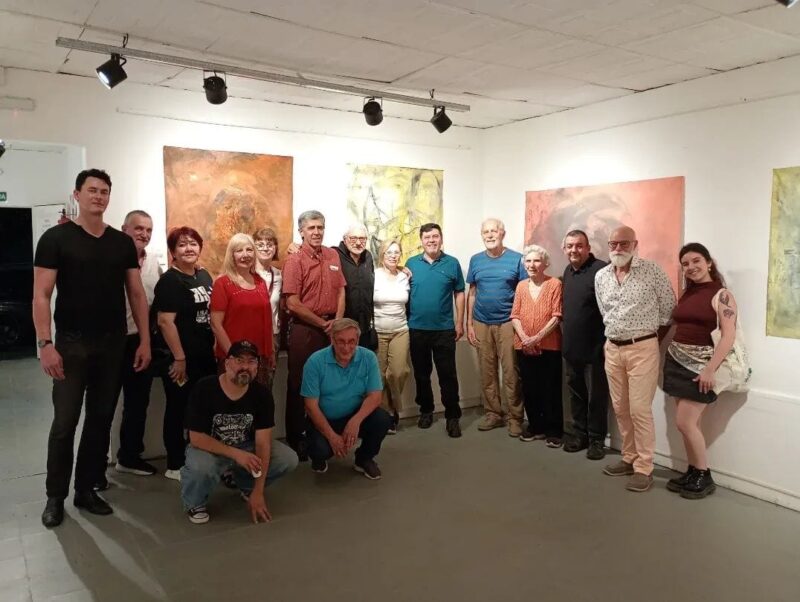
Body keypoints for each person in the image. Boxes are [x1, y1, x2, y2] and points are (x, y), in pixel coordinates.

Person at [34, 169, 151, 528]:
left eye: (104, 191)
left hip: (112, 344)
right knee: (65, 422)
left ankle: (85, 489)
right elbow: (41, 295)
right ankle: (55, 497)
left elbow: (136, 293)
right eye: (92, 190)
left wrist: (145, 340)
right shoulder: (55, 238)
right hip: (71, 344)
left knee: (100, 420)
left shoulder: (120, 243)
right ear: (77, 194)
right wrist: (45, 344)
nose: (98, 196)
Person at [595, 225, 676, 493]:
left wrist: (650, 339)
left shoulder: (652, 271)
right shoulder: (601, 276)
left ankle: (644, 467)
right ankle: (628, 457)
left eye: (624, 243)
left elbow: (669, 309)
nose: (618, 248)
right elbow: (604, 311)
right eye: (614, 244)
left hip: (642, 347)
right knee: (620, 407)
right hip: (612, 348)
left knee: (639, 409)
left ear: (635, 244)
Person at [181, 340, 298, 524]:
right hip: (211, 449)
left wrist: (258, 491)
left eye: (251, 362)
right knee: (200, 467)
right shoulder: (205, 388)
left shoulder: (262, 395)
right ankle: (195, 502)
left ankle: (246, 485)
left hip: (246, 447)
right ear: (227, 363)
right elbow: (196, 438)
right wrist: (236, 454)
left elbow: (263, 443)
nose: (245, 367)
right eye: (239, 360)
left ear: (257, 366)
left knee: (287, 458)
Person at [663, 243, 737, 499]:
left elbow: (728, 336)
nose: (691, 267)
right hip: (676, 362)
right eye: (685, 264)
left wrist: (709, 370)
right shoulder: (688, 292)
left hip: (700, 368)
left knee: (685, 422)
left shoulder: (722, 295)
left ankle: (704, 476)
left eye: (696, 261)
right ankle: (693, 470)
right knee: (689, 424)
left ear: (708, 262)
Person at [282, 210, 346, 459]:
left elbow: (341, 290)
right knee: (299, 384)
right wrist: (322, 324)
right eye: (311, 228)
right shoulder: (294, 260)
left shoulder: (332, 255)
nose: (316, 232)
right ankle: (296, 438)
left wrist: (337, 321)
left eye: (320, 227)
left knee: (327, 383)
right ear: (301, 232)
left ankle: (321, 433)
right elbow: (293, 303)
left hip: (331, 328)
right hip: (305, 329)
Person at [154, 227, 216, 481]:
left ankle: (198, 455)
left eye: (193, 243)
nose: (188, 248)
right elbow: (165, 322)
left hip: (204, 357)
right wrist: (179, 358)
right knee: (178, 408)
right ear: (173, 252)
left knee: (201, 408)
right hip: (181, 359)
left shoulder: (203, 275)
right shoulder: (170, 281)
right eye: (182, 245)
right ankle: (175, 463)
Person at [301, 319, 392, 479]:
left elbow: (375, 396)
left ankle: (364, 459)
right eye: (341, 341)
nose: (346, 347)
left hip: (353, 414)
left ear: (357, 340)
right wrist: (332, 437)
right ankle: (318, 458)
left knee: (382, 419)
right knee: (320, 449)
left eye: (351, 342)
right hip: (324, 419)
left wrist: (355, 421)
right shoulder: (315, 362)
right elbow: (310, 406)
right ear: (332, 340)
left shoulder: (368, 357)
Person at [111, 210, 162, 479]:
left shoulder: (153, 262)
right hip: (111, 341)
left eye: (148, 230)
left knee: (137, 403)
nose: (144, 234)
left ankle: (129, 456)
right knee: (104, 404)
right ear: (124, 229)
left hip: (141, 341)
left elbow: (159, 300)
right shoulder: (109, 258)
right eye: (139, 228)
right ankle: (94, 467)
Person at [466, 218, 527, 437]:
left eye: (494, 231)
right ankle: (493, 413)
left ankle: (515, 417)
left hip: (508, 322)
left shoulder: (517, 259)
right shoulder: (476, 260)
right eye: (486, 232)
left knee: (511, 372)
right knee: (487, 371)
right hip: (481, 321)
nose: (490, 235)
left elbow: (523, 292)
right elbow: (472, 293)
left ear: (503, 233)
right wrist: (469, 323)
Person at [406, 223, 466, 438]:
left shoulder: (452, 263)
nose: (431, 240)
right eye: (427, 237)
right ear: (421, 241)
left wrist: (460, 322)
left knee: (447, 375)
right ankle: (426, 410)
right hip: (417, 329)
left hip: (444, 330)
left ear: (441, 238)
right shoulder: (411, 264)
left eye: (435, 236)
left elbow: (460, 293)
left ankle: (452, 416)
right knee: (422, 375)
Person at [560, 229, 610, 460]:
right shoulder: (567, 272)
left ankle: (597, 440)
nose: (574, 250)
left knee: (596, 397)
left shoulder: (601, 270)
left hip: (596, 349)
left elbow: (609, 308)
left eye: (579, 246)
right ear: (565, 249)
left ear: (588, 248)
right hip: (572, 347)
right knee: (576, 394)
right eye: (570, 246)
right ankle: (580, 435)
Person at [510, 245, 564, 447]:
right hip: (523, 345)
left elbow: (557, 315)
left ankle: (554, 431)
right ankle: (535, 426)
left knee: (550, 388)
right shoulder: (521, 286)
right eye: (528, 261)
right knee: (530, 388)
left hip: (549, 345)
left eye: (537, 261)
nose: (532, 265)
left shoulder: (554, 284)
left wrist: (537, 337)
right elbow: (515, 315)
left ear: (545, 264)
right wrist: (525, 337)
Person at [210, 233, 274, 386]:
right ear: (231, 255)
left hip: (259, 357)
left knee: (259, 397)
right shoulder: (222, 284)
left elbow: (267, 319)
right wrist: (232, 356)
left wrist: (270, 350)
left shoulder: (260, 282)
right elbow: (216, 324)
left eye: (249, 250)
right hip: (234, 357)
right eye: (239, 251)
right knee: (233, 398)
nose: (245, 255)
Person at [373, 239, 411, 434]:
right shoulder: (374, 275)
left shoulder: (404, 276)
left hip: (400, 330)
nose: (393, 256)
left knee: (398, 372)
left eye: (396, 252)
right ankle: (384, 416)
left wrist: (404, 269)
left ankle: (391, 408)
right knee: (378, 376)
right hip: (378, 331)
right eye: (389, 252)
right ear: (382, 255)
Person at [336, 223, 377, 350]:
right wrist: (294, 246)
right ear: (345, 239)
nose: (358, 243)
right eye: (353, 238)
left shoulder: (368, 256)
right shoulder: (334, 254)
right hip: (342, 325)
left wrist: (400, 268)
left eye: (362, 238)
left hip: (364, 327)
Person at [253, 227, 283, 373]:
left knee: (268, 378)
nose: (265, 248)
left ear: (275, 248)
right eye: (260, 245)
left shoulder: (279, 275)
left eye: (269, 244)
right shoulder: (246, 274)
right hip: (252, 333)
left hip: (273, 334)